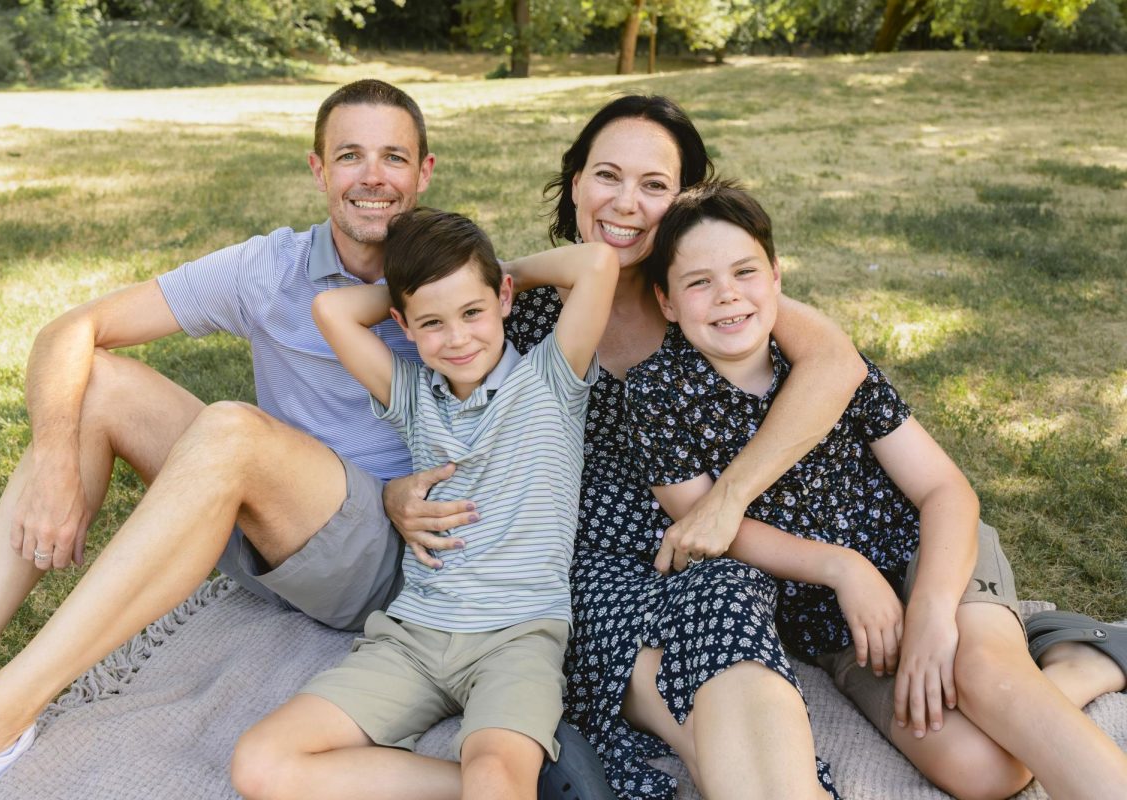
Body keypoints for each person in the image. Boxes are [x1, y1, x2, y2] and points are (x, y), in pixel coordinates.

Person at [0, 80, 602, 800]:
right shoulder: (268, 268)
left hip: (400, 557)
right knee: (98, 385)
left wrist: (455, 280)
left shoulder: (449, 294)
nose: (372, 177)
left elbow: (562, 318)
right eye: (349, 156)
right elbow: (71, 329)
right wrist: (58, 457)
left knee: (232, 432)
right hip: (273, 519)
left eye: (393, 158)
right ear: (317, 170)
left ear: (423, 172)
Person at [385, 95, 868, 800]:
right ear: (575, 181)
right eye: (606, 176)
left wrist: (727, 501)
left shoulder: (703, 295)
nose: (626, 203)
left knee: (727, 609)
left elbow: (838, 363)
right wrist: (486, 276)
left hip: (700, 542)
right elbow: (446, 423)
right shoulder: (518, 313)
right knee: (687, 704)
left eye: (654, 186)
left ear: (683, 202)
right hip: (573, 564)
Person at [627, 178, 1127, 800]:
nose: (726, 295)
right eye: (698, 282)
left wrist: (934, 613)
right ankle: (1078, 660)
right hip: (839, 624)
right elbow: (709, 525)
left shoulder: (828, 367)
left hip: (934, 558)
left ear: (777, 276)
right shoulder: (655, 394)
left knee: (981, 672)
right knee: (983, 771)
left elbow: (946, 490)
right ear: (667, 301)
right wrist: (844, 570)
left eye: (744, 271)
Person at [231, 208, 617, 800]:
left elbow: (597, 261)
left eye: (473, 311)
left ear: (503, 298)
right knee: (261, 764)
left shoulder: (551, 378)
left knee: (495, 774)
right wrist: (422, 287)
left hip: (516, 638)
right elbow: (331, 310)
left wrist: (493, 268)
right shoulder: (411, 396)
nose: (458, 338)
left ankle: (499, 782)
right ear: (403, 325)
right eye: (431, 322)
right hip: (412, 637)